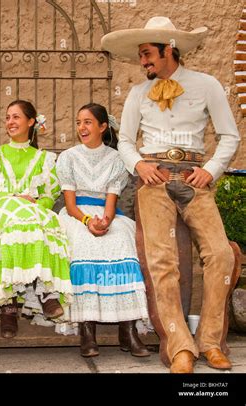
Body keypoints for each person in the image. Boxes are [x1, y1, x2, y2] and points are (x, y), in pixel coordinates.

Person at [101, 16, 242, 373]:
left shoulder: (206, 85)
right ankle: (179, 345)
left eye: (148, 54)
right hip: (154, 180)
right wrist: (139, 166)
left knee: (221, 255)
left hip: (195, 177)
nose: (143, 61)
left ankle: (210, 341)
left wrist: (210, 169)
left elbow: (230, 135)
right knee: (161, 261)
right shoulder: (137, 94)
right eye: (141, 55)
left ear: (169, 50)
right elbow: (126, 142)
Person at [0, 100, 73, 338]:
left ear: (31, 122)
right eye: (8, 117)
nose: (10, 122)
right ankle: (7, 305)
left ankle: (45, 291)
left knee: (36, 220)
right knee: (12, 221)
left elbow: (49, 195)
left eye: (16, 117)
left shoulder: (44, 159)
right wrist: (14, 197)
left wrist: (33, 203)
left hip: (32, 212)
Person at [57, 103, 150, 358]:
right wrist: (88, 222)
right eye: (78, 122)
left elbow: (112, 201)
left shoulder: (116, 159)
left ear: (102, 126)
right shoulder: (68, 157)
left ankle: (127, 329)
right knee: (84, 243)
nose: (81, 128)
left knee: (121, 240)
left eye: (87, 122)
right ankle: (87, 331)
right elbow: (70, 204)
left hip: (107, 214)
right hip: (77, 215)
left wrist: (105, 222)